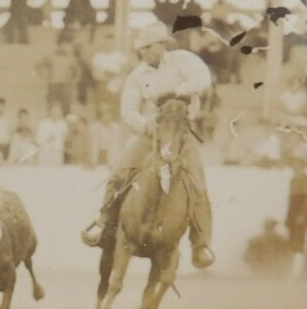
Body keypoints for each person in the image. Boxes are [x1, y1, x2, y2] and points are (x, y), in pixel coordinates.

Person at [80, 23, 215, 269]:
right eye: (141, 49)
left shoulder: (183, 60)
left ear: (162, 45)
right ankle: (104, 223)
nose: (143, 53)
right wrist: (145, 125)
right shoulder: (137, 75)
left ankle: (200, 244)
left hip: (183, 134)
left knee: (198, 183)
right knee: (120, 173)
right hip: (153, 134)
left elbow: (203, 78)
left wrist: (174, 92)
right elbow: (128, 109)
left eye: (148, 47)